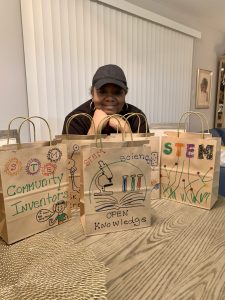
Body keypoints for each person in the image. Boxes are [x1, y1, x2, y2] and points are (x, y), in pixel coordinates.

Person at [62, 64, 149, 135]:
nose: (110, 99)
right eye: (102, 92)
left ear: (125, 94)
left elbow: (145, 154)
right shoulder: (76, 119)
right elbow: (72, 155)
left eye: (117, 92)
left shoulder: (136, 117)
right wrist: (94, 130)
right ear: (92, 93)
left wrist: (127, 132)